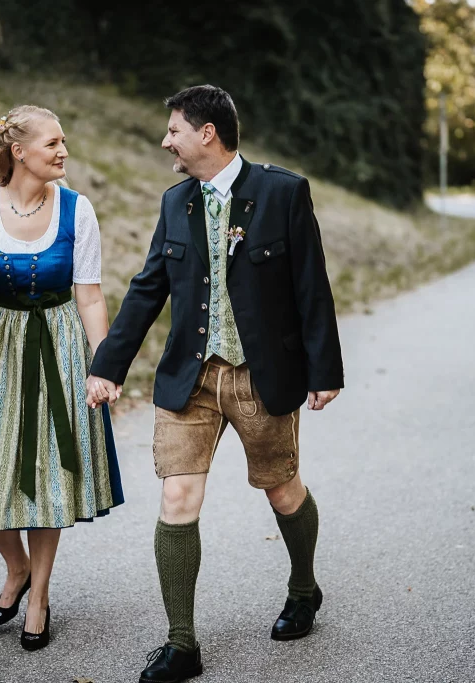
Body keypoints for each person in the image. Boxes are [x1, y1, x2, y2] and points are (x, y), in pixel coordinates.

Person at [86, 85, 343, 682]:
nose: (165, 140)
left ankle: (304, 588)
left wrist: (323, 370)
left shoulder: (282, 192)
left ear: (207, 133)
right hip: (190, 377)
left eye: (173, 129)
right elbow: (149, 287)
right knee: (177, 499)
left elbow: (311, 285)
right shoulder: (176, 202)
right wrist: (108, 364)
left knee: (282, 490)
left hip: (262, 376)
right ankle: (182, 644)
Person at [0, 105, 123, 652]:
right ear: (19, 151)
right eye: (53, 143)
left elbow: (89, 295)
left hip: (57, 349)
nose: (63, 151)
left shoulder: (78, 210)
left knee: (48, 475)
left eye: (64, 141)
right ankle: (16, 568)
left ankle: (39, 595)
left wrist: (104, 365)